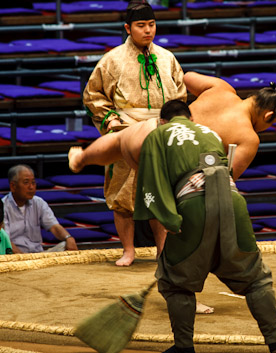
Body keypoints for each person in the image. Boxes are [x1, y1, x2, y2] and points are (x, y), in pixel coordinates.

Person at [132, 99, 276, 353]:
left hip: (193, 204)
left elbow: (151, 179)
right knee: (254, 278)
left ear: (163, 121)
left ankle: (184, 347)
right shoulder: (210, 132)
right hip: (233, 201)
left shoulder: (159, 134)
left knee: (176, 282)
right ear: (190, 119)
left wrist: (168, 218)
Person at [83, 1, 187, 266]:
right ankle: (128, 250)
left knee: (161, 195)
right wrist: (113, 124)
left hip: (161, 131)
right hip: (126, 132)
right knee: (122, 196)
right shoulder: (112, 59)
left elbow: (181, 95)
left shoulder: (167, 58)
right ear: (128, 28)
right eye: (141, 26)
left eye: (151, 25)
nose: (148, 30)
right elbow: (93, 95)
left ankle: (163, 250)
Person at [183, 72, 276, 181]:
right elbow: (223, 181)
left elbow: (187, 77)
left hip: (166, 143)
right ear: (267, 116)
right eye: (271, 123)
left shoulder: (221, 87)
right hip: (184, 174)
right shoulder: (248, 139)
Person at [2, 165, 79, 254]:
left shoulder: (38, 202)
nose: (31, 187)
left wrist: (68, 237)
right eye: (26, 182)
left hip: (39, 255)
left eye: (33, 183)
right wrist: (24, 259)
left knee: (66, 245)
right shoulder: (3, 206)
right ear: (13, 186)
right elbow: (6, 242)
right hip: (15, 257)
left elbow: (54, 226)